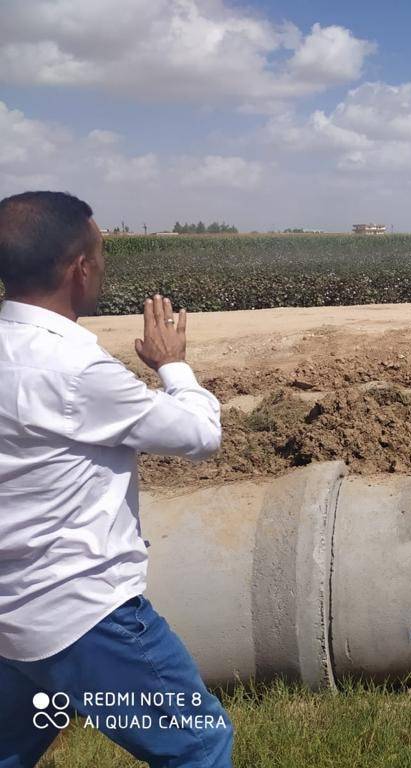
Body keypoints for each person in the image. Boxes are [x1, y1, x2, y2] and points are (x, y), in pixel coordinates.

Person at [0, 192, 233, 767]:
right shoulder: (77, 371)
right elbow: (198, 435)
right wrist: (172, 364)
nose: (102, 265)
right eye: (100, 254)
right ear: (80, 270)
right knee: (198, 744)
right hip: (86, 622)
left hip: (13, 624)